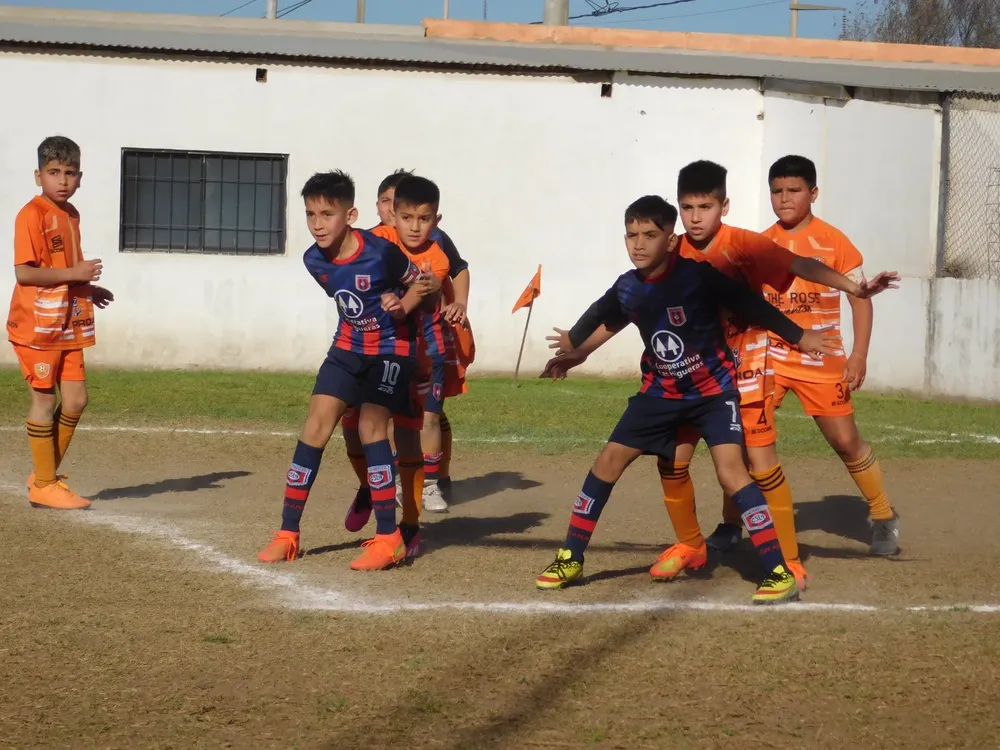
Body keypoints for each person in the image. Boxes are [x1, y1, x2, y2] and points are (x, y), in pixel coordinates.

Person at [535, 195, 839, 605]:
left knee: (732, 474)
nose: (638, 244)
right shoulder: (628, 286)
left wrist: (800, 337)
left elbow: (751, 305)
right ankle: (570, 557)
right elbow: (607, 316)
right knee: (607, 462)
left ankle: (778, 571)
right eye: (631, 235)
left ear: (672, 241)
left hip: (713, 393)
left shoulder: (698, 276)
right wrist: (578, 350)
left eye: (649, 235)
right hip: (659, 393)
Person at [256, 170, 439, 570]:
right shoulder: (312, 260)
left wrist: (404, 302)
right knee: (315, 425)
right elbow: (348, 302)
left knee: (372, 426)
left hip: (393, 350)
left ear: (350, 214)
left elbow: (424, 286)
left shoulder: (382, 252)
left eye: (327, 213)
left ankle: (390, 538)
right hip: (347, 347)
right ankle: (288, 534)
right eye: (310, 214)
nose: (318, 224)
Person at [749, 154, 898, 555]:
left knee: (845, 441)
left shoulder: (835, 241)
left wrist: (859, 355)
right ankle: (731, 525)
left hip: (823, 359)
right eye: (777, 191)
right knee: (747, 438)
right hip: (771, 358)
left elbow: (861, 299)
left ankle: (883, 515)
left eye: (794, 190)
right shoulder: (761, 243)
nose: (784, 199)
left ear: (813, 193)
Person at [8, 135, 114, 510]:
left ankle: (43, 475)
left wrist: (87, 287)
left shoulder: (71, 215)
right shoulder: (30, 215)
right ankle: (45, 484)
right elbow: (25, 274)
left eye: (70, 173)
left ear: (80, 177)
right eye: (54, 172)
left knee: (77, 399)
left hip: (68, 321)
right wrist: (75, 273)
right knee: (44, 398)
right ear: (39, 176)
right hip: (37, 326)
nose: (63, 180)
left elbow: (64, 269)